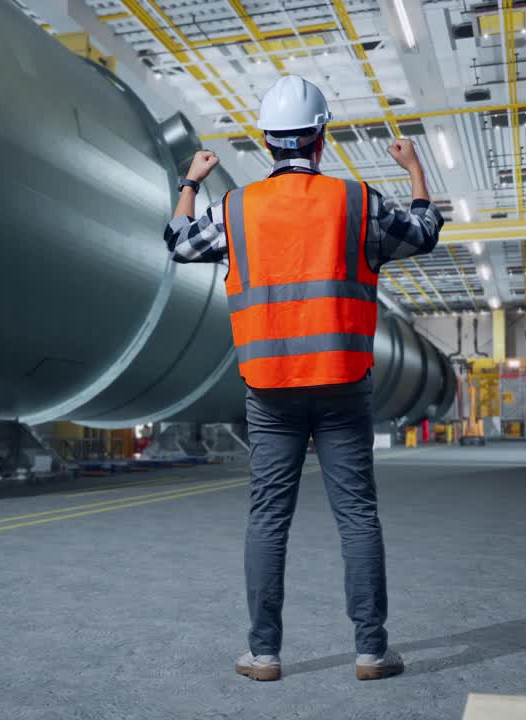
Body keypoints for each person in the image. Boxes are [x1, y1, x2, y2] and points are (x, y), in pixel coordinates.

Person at [163, 75, 442, 682]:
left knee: (268, 517)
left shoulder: (236, 209)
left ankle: (264, 654)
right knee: (357, 516)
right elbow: (424, 232)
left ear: (267, 142)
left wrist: (191, 179)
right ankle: (372, 651)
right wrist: (415, 167)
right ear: (320, 139)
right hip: (343, 385)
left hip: (269, 389)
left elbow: (179, 244)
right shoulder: (356, 201)